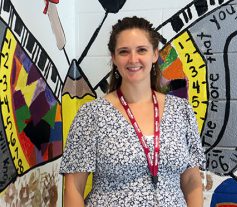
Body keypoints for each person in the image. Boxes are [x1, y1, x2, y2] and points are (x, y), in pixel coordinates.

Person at [59, 16, 206, 206]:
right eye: (123, 52)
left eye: (141, 50)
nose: (133, 59)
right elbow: (74, 188)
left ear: (154, 55)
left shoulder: (181, 111)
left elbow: (191, 182)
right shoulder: (92, 115)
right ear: (114, 58)